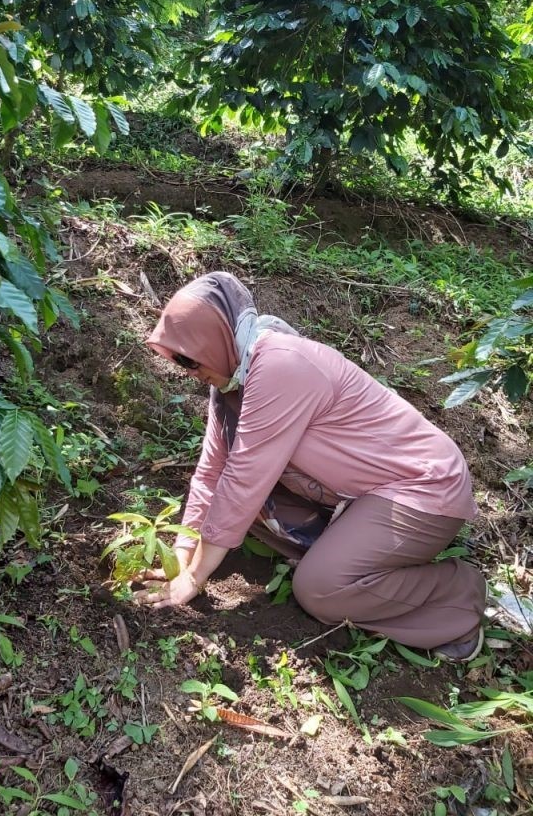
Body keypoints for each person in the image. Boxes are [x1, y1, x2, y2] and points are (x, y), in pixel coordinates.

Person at [139, 271, 486, 661]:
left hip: (422, 487)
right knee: (246, 510)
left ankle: (457, 592)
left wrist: (194, 579)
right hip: (360, 494)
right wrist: (182, 554)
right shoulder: (231, 385)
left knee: (319, 590)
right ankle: (352, 559)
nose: (189, 369)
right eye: (180, 360)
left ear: (216, 339)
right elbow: (212, 471)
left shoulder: (280, 365)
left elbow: (243, 479)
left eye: (192, 356)